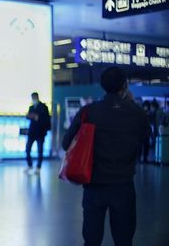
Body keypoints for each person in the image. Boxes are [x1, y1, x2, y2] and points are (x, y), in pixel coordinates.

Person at [62, 66, 150, 246]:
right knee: (124, 239)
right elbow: (146, 139)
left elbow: (66, 143)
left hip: (94, 185)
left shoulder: (89, 111)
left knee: (92, 239)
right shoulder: (136, 113)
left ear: (102, 85)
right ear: (124, 86)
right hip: (123, 185)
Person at [25, 92, 51, 174]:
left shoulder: (44, 107)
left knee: (40, 151)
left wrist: (37, 117)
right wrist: (29, 116)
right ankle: (30, 165)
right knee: (27, 149)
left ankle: (38, 167)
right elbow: (28, 116)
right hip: (32, 132)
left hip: (40, 132)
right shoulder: (31, 107)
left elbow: (47, 120)